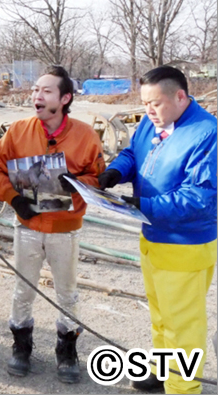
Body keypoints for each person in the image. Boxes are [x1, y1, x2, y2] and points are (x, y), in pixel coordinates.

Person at [97, 66, 216, 395]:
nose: (149, 112)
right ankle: (162, 370)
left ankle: (182, 388)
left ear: (180, 96)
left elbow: (198, 198)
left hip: (185, 244)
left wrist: (140, 205)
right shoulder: (152, 122)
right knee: (161, 313)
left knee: (184, 324)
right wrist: (114, 173)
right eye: (144, 104)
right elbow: (133, 154)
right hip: (152, 237)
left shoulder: (207, 133)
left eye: (156, 103)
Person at [0, 65, 106, 383]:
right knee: (22, 290)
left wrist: (76, 185)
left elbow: (97, 177)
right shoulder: (18, 131)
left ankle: (67, 350)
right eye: (35, 89)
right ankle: (21, 346)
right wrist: (14, 199)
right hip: (27, 228)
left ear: (65, 98)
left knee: (68, 293)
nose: (37, 95)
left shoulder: (85, 136)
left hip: (64, 230)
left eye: (46, 90)